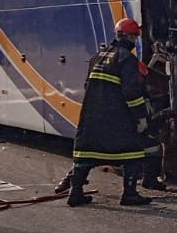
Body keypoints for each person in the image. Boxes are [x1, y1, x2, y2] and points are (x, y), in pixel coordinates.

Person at [64, 18, 155, 207]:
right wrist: (140, 117)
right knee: (132, 151)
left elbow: (87, 85)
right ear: (130, 36)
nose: (135, 40)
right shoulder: (127, 59)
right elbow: (131, 92)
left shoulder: (97, 56)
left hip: (92, 114)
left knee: (85, 154)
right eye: (135, 37)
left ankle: (75, 193)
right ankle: (129, 194)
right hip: (116, 115)